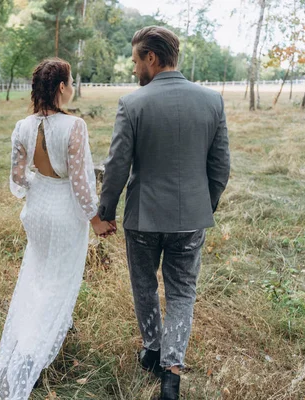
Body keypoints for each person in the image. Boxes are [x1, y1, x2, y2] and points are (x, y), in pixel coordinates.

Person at [98, 26, 230, 400]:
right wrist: (204, 203)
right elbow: (220, 167)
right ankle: (171, 373)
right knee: (182, 292)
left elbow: (117, 166)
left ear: (151, 58)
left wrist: (106, 211)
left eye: (136, 59)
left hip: (143, 218)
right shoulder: (212, 101)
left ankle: (153, 350)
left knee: (144, 286)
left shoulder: (132, 104)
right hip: (191, 216)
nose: (135, 67)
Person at [0, 58, 114, 400]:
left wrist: (38, 184)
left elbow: (17, 179)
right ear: (61, 87)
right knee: (57, 283)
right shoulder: (74, 127)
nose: (72, 86)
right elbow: (81, 184)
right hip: (63, 214)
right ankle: (30, 354)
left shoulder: (22, 127)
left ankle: (34, 337)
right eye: (70, 81)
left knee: (38, 275)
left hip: (37, 210)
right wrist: (96, 219)